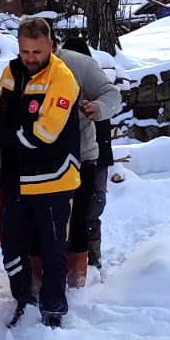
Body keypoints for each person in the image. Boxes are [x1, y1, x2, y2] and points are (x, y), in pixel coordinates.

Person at [0, 17, 81, 329]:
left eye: (37, 52)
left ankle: (54, 308)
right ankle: (23, 297)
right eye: (25, 51)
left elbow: (44, 134)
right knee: (11, 243)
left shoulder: (62, 79)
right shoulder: (12, 71)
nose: (31, 58)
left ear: (51, 46)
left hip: (53, 177)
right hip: (15, 178)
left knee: (53, 249)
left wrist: (1, 137)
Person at [59, 37, 120, 273]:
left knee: (91, 209)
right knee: (79, 212)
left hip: (94, 156)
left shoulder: (91, 82)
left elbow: (104, 115)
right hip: (81, 156)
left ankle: (92, 258)